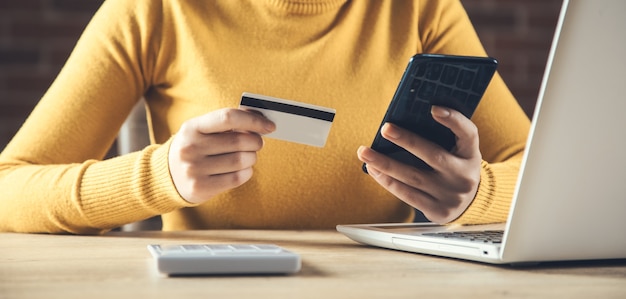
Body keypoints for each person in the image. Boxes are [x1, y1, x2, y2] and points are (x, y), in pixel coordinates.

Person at [0, 0, 529, 234]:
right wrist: (158, 176)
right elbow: (9, 187)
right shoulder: (153, 8)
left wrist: (477, 195)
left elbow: (544, 172)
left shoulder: (421, 8)